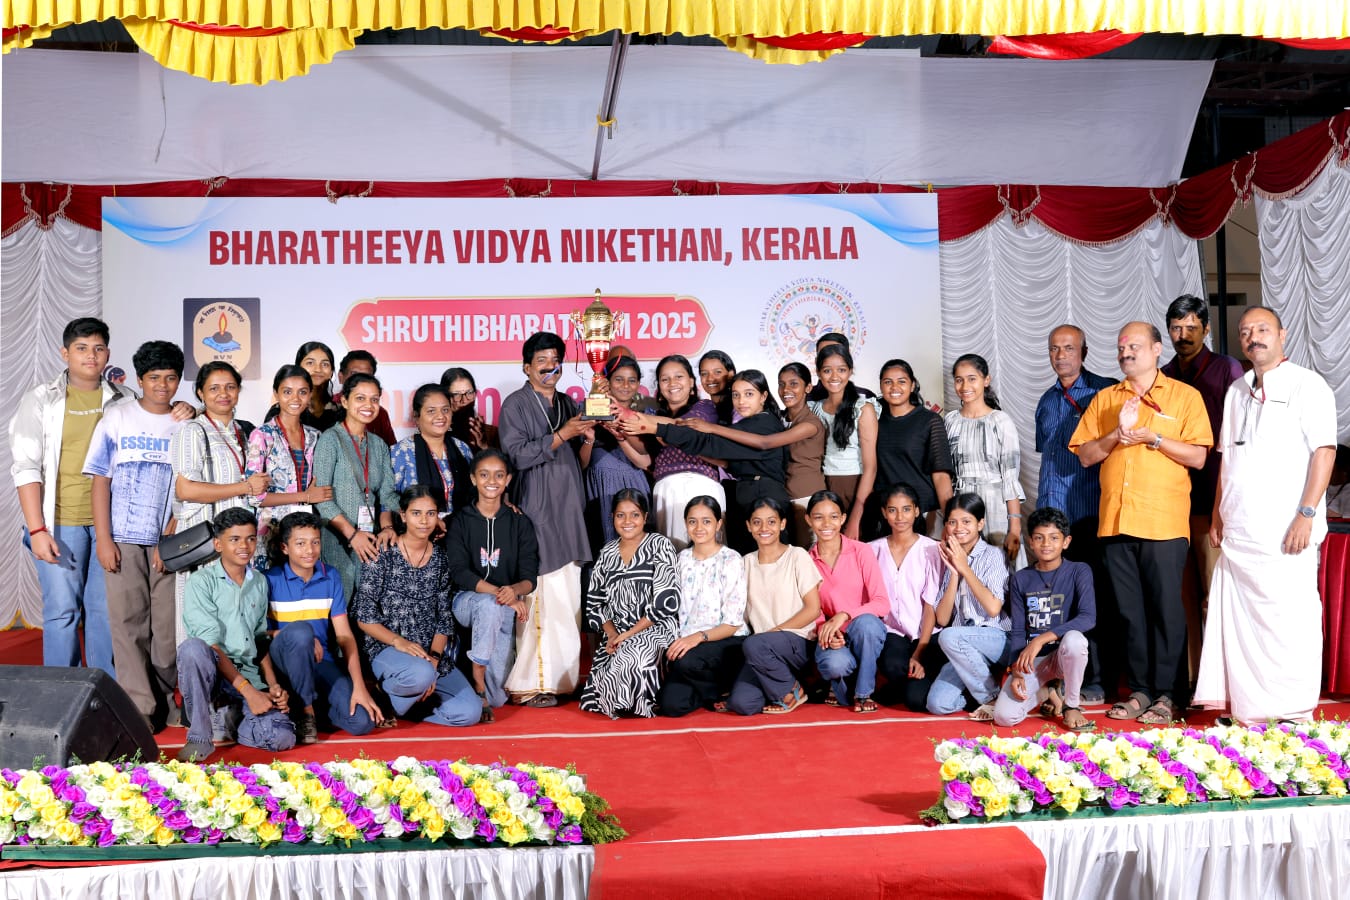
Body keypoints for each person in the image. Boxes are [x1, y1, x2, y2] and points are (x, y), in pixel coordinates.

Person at [1194, 307, 1338, 725]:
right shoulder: (1236, 391)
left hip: (1287, 530)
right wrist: (1218, 514)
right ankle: (1249, 712)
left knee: (1289, 619)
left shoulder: (1307, 385)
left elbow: (1324, 452)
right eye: (1245, 332)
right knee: (1243, 624)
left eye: (1261, 329)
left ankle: (1292, 711)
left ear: (1282, 334)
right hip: (1240, 532)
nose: (1253, 337)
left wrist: (1306, 513)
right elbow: (1227, 458)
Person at [1070, 321, 1212, 726]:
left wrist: (1154, 439)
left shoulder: (1184, 396)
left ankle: (1169, 694)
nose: (1126, 353)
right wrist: (1117, 434)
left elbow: (1199, 457)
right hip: (1116, 521)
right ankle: (1140, 690)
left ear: (1156, 349)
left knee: (1165, 610)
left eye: (1134, 346)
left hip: (1164, 521)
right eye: (1120, 348)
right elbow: (1086, 455)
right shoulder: (1106, 399)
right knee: (1129, 613)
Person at [11, 318, 135, 674]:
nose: (90, 356)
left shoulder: (125, 399)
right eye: (81, 348)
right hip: (60, 521)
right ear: (65, 353)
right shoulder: (40, 399)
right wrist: (37, 530)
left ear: (108, 354)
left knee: (104, 611)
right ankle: (61, 692)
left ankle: (104, 691)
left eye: (98, 348)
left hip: (110, 523)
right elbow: (26, 466)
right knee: (62, 611)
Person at [82, 340, 185, 729]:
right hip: (123, 539)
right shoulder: (117, 418)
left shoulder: (185, 423)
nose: (162, 385)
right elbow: (100, 482)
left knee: (167, 632)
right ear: (139, 380)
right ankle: (140, 708)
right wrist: (104, 539)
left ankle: (166, 700)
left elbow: (188, 484)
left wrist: (173, 530)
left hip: (167, 542)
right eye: (154, 377)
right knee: (128, 626)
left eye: (170, 378)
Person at [498, 331, 594, 707]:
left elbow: (580, 460)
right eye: (542, 361)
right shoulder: (515, 404)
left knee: (568, 596)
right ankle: (532, 683)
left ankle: (563, 681)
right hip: (537, 510)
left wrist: (587, 438)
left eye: (555, 360)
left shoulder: (568, 403)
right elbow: (516, 456)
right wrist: (563, 434)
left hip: (570, 508)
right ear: (527, 367)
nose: (550, 367)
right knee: (542, 594)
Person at [1160, 295, 1245, 682]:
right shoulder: (1163, 374)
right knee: (1181, 598)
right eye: (1176, 328)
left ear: (1206, 329)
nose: (1184, 335)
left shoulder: (1226, 369)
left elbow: (1237, 435)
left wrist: (1225, 503)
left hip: (1214, 498)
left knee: (1216, 592)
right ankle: (1193, 680)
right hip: (1171, 500)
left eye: (1191, 328)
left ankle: (1225, 678)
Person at [1033, 325, 1116, 706]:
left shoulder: (1104, 391)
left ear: (1084, 351)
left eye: (1068, 348)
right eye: (1054, 349)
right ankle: (1063, 678)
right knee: (1059, 600)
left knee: (1092, 601)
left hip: (1088, 513)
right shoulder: (1047, 400)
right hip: (1053, 517)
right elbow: (1048, 458)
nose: (1061, 355)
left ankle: (1098, 681)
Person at [175, 508, 296, 761]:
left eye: (250, 538)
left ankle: (230, 717)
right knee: (193, 649)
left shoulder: (259, 582)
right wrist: (249, 692)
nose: (244, 546)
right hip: (214, 677)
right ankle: (200, 736)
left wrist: (272, 686)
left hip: (247, 677)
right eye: (235, 539)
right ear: (218, 544)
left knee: (282, 738)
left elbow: (259, 639)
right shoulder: (201, 582)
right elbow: (211, 646)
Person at [353, 486, 480, 727]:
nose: (424, 521)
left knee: (470, 712)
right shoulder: (382, 553)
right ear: (403, 515)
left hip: (428, 654)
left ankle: (405, 706)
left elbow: (444, 618)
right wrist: (399, 642)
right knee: (420, 674)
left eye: (431, 514)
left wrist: (434, 660)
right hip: (388, 648)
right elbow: (364, 617)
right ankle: (385, 690)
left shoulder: (442, 559)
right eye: (416, 513)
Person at [626, 370, 791, 552]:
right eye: (736, 395)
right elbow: (727, 462)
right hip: (747, 494)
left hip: (764, 496)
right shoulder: (748, 425)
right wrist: (680, 442)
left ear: (763, 396)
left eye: (749, 394)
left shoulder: (764, 423)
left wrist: (656, 428)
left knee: (770, 557)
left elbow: (711, 442)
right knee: (750, 559)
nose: (741, 401)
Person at [670, 362, 826, 549]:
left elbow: (765, 443)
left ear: (808, 387)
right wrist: (688, 446)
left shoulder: (805, 423)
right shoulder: (782, 418)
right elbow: (731, 460)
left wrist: (711, 428)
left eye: (793, 384)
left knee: (806, 553)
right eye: (781, 384)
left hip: (804, 495)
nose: (786, 390)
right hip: (783, 490)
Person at [171, 361, 270, 645]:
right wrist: (245, 486)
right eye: (214, 388)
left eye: (230, 387)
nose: (223, 394)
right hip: (206, 545)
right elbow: (185, 489)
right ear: (200, 393)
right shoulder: (193, 430)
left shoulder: (244, 432)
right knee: (203, 625)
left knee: (237, 621)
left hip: (239, 544)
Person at [264, 511, 382, 741]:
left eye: (315, 542)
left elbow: (345, 637)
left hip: (321, 662)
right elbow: (257, 635)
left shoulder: (331, 576)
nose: (309, 550)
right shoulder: (268, 579)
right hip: (284, 665)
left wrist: (359, 687)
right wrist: (301, 637)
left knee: (362, 722)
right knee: (301, 633)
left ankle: (310, 706)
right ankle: (306, 713)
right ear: (285, 548)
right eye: (300, 543)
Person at [446, 449, 540, 722]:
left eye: (499, 475)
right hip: (467, 602)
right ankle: (477, 680)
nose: (492, 481)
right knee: (488, 604)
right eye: (484, 475)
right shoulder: (460, 520)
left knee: (498, 698)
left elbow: (529, 577)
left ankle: (481, 683)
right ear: (473, 479)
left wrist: (515, 591)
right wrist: (503, 594)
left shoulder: (519, 522)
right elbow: (459, 572)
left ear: (508, 480)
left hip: (505, 604)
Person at [992, 507, 1097, 732]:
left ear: (1066, 542)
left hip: (1064, 656)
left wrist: (1040, 639)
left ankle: (1071, 705)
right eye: (1039, 538)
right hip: (1034, 660)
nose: (1046, 544)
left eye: (1054, 538)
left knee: (1075, 640)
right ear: (1030, 542)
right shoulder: (1021, 579)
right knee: (1004, 717)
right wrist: (1016, 670)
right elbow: (1018, 629)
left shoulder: (1079, 571)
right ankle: (1047, 690)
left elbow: (1088, 617)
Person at [579, 490, 680, 718]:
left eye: (634, 515)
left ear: (645, 517)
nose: (627, 521)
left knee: (631, 658)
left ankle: (639, 703)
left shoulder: (660, 545)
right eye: (620, 515)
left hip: (654, 628)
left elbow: (665, 601)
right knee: (603, 674)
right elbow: (595, 603)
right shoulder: (607, 552)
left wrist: (628, 635)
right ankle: (623, 700)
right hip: (617, 633)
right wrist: (613, 635)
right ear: (612, 518)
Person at [726, 497, 823, 716]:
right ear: (748, 526)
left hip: (797, 641)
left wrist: (773, 633)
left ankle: (792, 691)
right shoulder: (744, 563)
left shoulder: (797, 556)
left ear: (782, 524)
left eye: (771, 521)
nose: (764, 528)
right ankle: (783, 682)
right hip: (761, 650)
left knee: (755, 644)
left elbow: (813, 609)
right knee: (742, 703)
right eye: (757, 522)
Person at [312, 372, 400, 600]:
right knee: (340, 598)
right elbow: (322, 498)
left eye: (374, 399)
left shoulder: (379, 445)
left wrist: (387, 528)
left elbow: (387, 495)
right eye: (360, 398)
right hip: (336, 536)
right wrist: (352, 535)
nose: (368, 405)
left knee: (369, 602)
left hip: (371, 537)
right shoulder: (330, 439)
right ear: (344, 401)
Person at [658, 495, 749, 717]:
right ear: (685, 524)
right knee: (671, 705)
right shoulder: (680, 559)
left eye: (706, 521)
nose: (699, 528)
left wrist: (697, 637)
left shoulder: (731, 559)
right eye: (692, 521)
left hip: (726, 640)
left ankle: (729, 681)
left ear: (718, 524)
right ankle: (716, 692)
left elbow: (732, 623)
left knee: (685, 662)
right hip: (689, 646)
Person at [925, 493, 1012, 719]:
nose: (958, 528)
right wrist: (954, 573)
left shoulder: (994, 555)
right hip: (963, 647)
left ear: (980, 524)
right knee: (937, 704)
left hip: (996, 638)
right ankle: (982, 686)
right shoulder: (951, 558)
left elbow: (993, 608)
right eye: (952, 522)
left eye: (966, 521)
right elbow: (942, 619)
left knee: (949, 637)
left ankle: (991, 698)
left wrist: (965, 567)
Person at [806, 491, 890, 714]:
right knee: (835, 664)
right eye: (818, 517)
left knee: (867, 625)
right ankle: (840, 688)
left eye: (833, 516)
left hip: (863, 631)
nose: (826, 524)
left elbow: (881, 602)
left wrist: (844, 615)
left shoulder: (861, 551)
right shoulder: (806, 560)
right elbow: (812, 610)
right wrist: (825, 630)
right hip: (833, 633)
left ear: (843, 518)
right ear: (808, 520)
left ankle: (864, 693)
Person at [245, 365, 333, 571]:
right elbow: (255, 497)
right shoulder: (262, 435)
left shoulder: (315, 436)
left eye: (302, 392)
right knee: (270, 587)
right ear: (276, 394)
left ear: (310, 394)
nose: (295, 398)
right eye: (287, 392)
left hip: (305, 534)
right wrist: (305, 496)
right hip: (270, 533)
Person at [869, 483, 945, 712]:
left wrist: (919, 652)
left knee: (915, 701)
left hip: (926, 635)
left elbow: (930, 606)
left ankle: (911, 686)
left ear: (916, 511)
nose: (900, 517)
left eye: (906, 509)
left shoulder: (932, 549)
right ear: (884, 512)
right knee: (892, 664)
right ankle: (904, 684)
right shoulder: (872, 550)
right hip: (893, 632)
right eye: (892, 510)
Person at [944, 354, 1024, 568]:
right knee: (963, 569)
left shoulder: (1001, 421)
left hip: (995, 506)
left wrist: (1014, 528)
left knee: (999, 569)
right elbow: (945, 473)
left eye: (972, 379)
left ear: (986, 380)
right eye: (959, 380)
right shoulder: (950, 421)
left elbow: (1010, 477)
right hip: (961, 504)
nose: (965, 386)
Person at [639, 355, 725, 550]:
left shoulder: (705, 408)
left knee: (708, 555)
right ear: (659, 386)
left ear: (692, 382)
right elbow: (643, 461)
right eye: (665, 379)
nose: (672, 383)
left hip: (701, 487)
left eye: (679, 376)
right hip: (666, 494)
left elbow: (684, 427)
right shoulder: (652, 417)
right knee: (672, 556)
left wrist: (635, 418)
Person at [874, 359, 953, 536]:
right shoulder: (875, 421)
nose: (894, 387)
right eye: (888, 382)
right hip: (887, 514)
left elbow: (941, 475)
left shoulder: (929, 420)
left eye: (901, 381)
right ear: (881, 386)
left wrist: (949, 520)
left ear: (912, 385)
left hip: (924, 511)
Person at [809, 344, 880, 540]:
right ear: (818, 373)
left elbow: (871, 468)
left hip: (855, 486)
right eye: (827, 370)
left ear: (850, 371)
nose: (834, 376)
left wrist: (855, 517)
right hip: (823, 485)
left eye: (841, 370)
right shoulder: (815, 408)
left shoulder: (863, 408)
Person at [581, 356, 652, 547]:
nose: (625, 386)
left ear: (638, 384)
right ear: (607, 382)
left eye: (632, 380)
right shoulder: (590, 409)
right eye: (619, 379)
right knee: (602, 547)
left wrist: (619, 427)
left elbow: (647, 454)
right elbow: (581, 463)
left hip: (636, 486)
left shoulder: (647, 413)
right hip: (599, 488)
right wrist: (589, 438)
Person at [390, 383, 475, 526]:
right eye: (431, 411)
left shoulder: (462, 448)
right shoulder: (401, 452)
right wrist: (429, 519)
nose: (440, 416)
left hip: (462, 530)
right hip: (418, 531)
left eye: (445, 410)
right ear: (417, 416)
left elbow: (475, 492)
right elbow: (388, 497)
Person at [265, 341, 342, 431]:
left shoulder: (338, 410)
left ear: (331, 371)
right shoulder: (281, 410)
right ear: (298, 368)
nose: (318, 369)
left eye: (325, 364)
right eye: (310, 363)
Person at [333, 350, 398, 448]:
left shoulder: (379, 413)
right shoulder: (328, 407)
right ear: (341, 377)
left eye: (366, 376)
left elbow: (391, 449)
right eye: (354, 374)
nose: (360, 381)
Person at [440, 367, 499, 452]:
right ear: (445, 397)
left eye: (469, 393)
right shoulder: (438, 431)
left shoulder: (491, 433)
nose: (464, 400)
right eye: (456, 394)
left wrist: (484, 446)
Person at [806, 334, 877, 402]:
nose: (830, 356)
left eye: (837, 350)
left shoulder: (866, 397)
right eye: (823, 353)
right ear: (816, 361)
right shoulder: (805, 397)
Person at [698, 350, 737, 423]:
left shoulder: (739, 406)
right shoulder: (702, 407)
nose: (710, 378)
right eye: (704, 374)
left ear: (730, 375)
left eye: (717, 372)